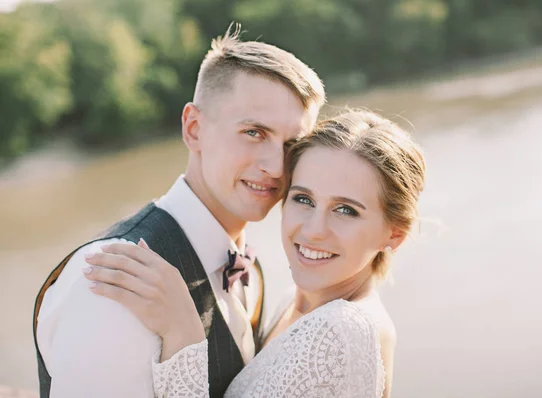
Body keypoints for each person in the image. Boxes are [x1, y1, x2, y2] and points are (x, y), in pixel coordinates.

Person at [32, 24, 325, 398]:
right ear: (194, 128)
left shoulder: (250, 269)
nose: (277, 167)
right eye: (254, 132)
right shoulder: (112, 281)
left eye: (292, 144)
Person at [84, 109, 427, 397]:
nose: (313, 230)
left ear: (394, 234)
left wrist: (183, 334)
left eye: (346, 210)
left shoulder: (340, 330)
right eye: (303, 199)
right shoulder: (294, 300)